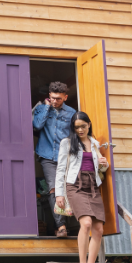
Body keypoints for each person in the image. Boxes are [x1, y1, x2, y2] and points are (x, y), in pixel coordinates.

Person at [55, 112, 110, 263]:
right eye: (76, 127)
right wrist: (59, 193)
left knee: (99, 229)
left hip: (93, 186)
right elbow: (61, 168)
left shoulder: (94, 144)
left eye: (83, 126)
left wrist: (104, 165)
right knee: (85, 223)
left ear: (89, 124)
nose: (80, 130)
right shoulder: (68, 143)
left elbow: (100, 170)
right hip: (75, 186)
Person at [32, 81, 76, 238]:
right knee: (53, 189)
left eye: (58, 98)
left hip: (65, 157)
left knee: (67, 188)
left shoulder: (72, 113)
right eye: (52, 98)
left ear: (65, 97)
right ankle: (61, 226)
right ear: (49, 96)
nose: (55, 101)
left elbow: (75, 135)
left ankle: (69, 222)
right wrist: (46, 107)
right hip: (47, 156)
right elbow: (37, 126)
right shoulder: (42, 109)